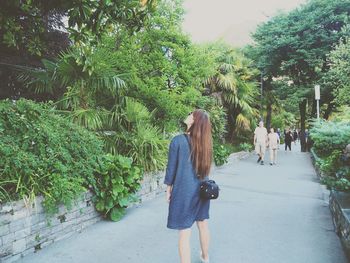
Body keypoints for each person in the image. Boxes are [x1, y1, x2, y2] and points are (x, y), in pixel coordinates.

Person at [164, 110, 213, 263]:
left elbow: (171, 168)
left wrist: (168, 189)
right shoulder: (206, 144)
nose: (189, 114)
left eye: (192, 113)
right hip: (203, 190)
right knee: (203, 224)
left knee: (184, 232)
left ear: (194, 121)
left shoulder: (178, 141)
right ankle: (205, 257)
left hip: (184, 191)